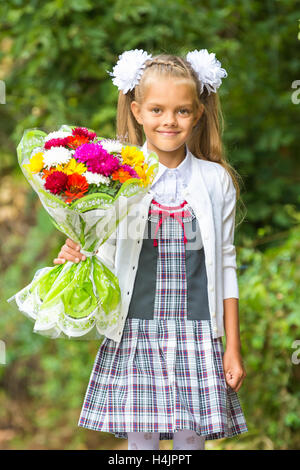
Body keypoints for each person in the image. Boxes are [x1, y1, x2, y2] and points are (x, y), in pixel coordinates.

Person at [53, 49, 248, 450]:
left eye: (181, 111)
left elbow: (226, 266)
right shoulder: (114, 177)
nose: (168, 121)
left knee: (190, 442)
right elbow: (100, 249)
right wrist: (78, 251)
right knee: (140, 443)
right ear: (138, 110)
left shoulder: (215, 181)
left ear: (197, 114)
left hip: (197, 335)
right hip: (136, 332)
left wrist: (232, 346)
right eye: (157, 109)